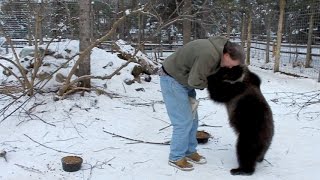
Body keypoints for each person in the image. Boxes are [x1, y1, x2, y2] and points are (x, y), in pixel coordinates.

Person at [159, 36, 245, 171]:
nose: (230, 67)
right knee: (183, 121)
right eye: (231, 63)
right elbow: (195, 81)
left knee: (193, 119)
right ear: (227, 54)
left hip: (184, 80)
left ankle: (189, 151)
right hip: (172, 79)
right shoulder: (209, 55)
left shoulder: (219, 51)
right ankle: (176, 157)